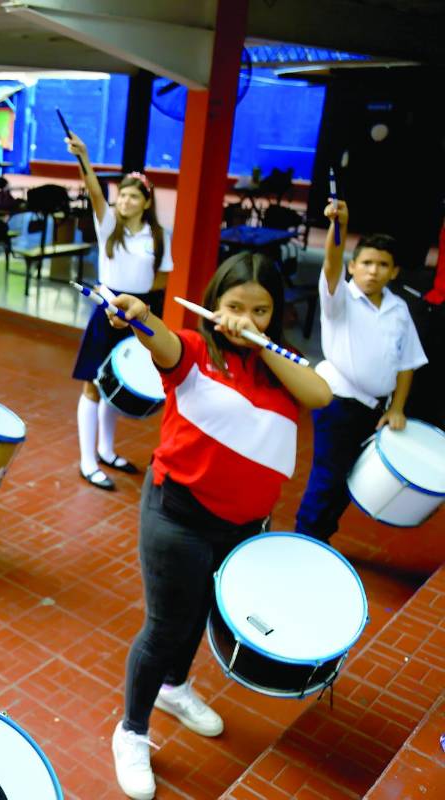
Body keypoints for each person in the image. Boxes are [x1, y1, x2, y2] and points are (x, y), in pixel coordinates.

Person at [102, 253, 332, 800]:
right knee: (166, 626)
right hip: (176, 515)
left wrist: (260, 345)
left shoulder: (283, 364)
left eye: (260, 308)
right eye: (234, 306)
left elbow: (321, 395)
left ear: (276, 313)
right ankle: (131, 731)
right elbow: (162, 340)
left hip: (243, 525)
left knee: (201, 614)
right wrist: (138, 315)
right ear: (213, 304)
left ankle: (175, 690)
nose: (246, 317)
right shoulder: (196, 350)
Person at [294, 203, 428, 541]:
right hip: (338, 402)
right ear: (352, 266)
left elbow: (406, 364)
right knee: (328, 476)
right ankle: (305, 537)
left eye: (383, 265)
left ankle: (322, 535)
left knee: (349, 477)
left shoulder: (399, 309)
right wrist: (340, 226)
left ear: (395, 271)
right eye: (366, 263)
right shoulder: (340, 299)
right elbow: (330, 263)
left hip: (374, 409)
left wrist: (396, 407)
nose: (373, 271)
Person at [66, 132, 172, 491]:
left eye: (132, 195)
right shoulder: (107, 225)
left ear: (145, 202)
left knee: (119, 383)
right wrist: (84, 156)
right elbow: (95, 192)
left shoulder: (158, 236)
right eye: (121, 194)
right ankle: (87, 461)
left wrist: (146, 314)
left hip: (137, 315)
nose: (123, 200)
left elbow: (160, 282)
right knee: (93, 386)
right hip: (106, 309)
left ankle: (107, 451)